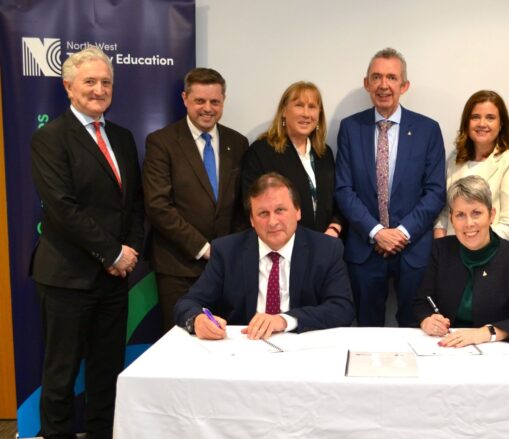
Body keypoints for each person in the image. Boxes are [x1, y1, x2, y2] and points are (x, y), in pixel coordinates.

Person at [30, 47, 144, 439]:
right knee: (60, 369)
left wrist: (129, 250)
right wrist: (113, 253)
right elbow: (62, 208)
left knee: (106, 364)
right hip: (67, 276)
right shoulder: (50, 138)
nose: (99, 90)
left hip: (114, 277)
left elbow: (133, 204)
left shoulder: (122, 136)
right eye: (90, 82)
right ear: (68, 86)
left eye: (106, 83)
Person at [335, 47, 446, 327]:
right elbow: (344, 190)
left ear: (404, 85)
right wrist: (377, 232)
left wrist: (400, 233)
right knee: (366, 330)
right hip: (364, 249)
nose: (384, 85)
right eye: (377, 77)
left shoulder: (428, 129)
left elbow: (435, 192)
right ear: (366, 83)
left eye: (392, 78)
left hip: (413, 250)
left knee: (415, 329)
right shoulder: (350, 128)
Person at [174, 173, 355, 340]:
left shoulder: (326, 249)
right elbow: (188, 303)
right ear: (252, 220)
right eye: (263, 213)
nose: (273, 222)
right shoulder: (227, 251)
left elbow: (342, 309)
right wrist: (197, 320)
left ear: (298, 211)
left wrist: (284, 320)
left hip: (302, 345)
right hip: (244, 348)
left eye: (280, 210)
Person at [143, 68, 249, 333]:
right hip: (179, 268)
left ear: (223, 101)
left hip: (226, 269)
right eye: (200, 101)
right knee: (181, 348)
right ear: (185, 99)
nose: (207, 108)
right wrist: (204, 248)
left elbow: (244, 205)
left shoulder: (238, 143)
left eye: (215, 101)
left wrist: (228, 250)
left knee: (225, 343)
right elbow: (158, 206)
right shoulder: (161, 142)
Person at [414, 175, 509, 346]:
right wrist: (427, 320)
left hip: (496, 350)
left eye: (476, 213)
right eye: (460, 215)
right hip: (446, 347)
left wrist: (485, 333)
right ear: (451, 219)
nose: (469, 223)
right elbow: (422, 302)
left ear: (491, 215)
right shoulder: (440, 250)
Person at [241, 81, 343, 238]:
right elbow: (251, 205)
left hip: (325, 246)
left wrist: (334, 228)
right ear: (283, 110)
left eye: (312, 107)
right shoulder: (261, 152)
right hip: (282, 248)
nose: (306, 114)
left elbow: (337, 199)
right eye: (299, 105)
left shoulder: (324, 153)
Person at [434, 90, 509, 242]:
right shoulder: (454, 160)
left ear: (501, 125)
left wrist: (476, 251)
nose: (482, 124)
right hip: (452, 254)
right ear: (467, 123)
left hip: (494, 254)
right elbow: (444, 212)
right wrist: (441, 247)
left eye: (490, 118)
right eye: (475, 117)